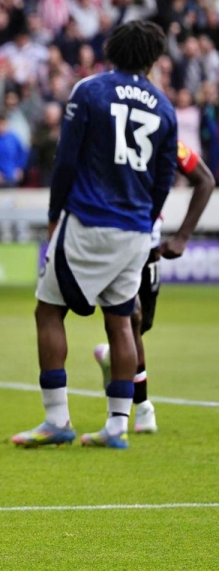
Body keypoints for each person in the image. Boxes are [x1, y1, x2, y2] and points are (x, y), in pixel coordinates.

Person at [13, 20, 178, 451]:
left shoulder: (90, 91)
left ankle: (56, 420)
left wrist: (54, 216)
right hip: (136, 229)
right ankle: (117, 427)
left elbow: (66, 160)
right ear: (153, 58)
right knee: (121, 321)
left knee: (48, 310)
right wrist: (146, 217)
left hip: (88, 220)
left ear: (111, 49)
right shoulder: (164, 107)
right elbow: (164, 180)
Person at [92, 141, 214, 433]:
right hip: (112, 240)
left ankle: (113, 357)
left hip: (148, 246)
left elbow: (206, 180)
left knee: (141, 325)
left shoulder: (166, 137)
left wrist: (183, 236)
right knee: (130, 319)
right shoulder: (105, 129)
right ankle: (143, 407)